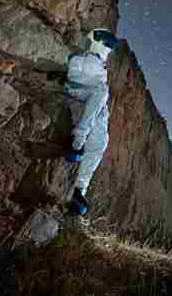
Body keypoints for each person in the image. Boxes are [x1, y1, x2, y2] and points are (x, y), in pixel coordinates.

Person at [64, 27, 118, 215]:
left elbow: (99, 92)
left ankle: (79, 189)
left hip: (97, 103)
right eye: (106, 44)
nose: (108, 49)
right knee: (102, 91)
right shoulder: (79, 59)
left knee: (101, 142)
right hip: (80, 91)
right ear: (96, 40)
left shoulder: (103, 68)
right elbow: (71, 79)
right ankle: (77, 140)